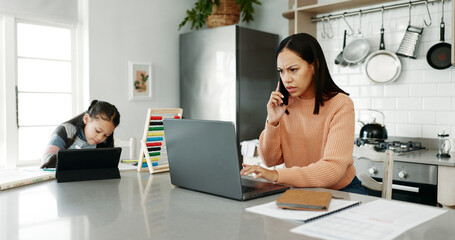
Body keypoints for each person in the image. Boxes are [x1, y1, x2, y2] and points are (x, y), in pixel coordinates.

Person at [240, 33, 367, 195]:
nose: (286, 79)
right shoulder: (283, 104)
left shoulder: (341, 104)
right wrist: (272, 122)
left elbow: (332, 169)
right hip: (299, 190)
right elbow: (270, 160)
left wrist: (277, 175)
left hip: (342, 191)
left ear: (315, 66)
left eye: (293, 70)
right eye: (281, 71)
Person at [40, 100, 120, 168]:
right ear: (86, 119)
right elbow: (47, 159)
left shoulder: (104, 142)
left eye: (106, 135)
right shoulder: (65, 131)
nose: (100, 138)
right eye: (98, 131)